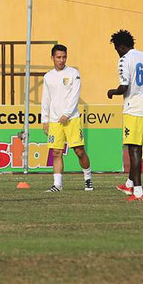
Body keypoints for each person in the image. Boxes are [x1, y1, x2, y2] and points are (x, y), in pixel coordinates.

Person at [106, 30, 143, 202]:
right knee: (138, 147)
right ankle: (130, 184)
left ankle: (138, 192)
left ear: (121, 46)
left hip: (134, 108)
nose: (117, 52)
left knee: (134, 149)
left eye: (117, 48)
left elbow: (124, 86)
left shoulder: (124, 59)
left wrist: (112, 92)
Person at [40, 44, 93, 192]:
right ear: (52, 58)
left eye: (64, 57)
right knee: (56, 152)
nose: (61, 60)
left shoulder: (73, 73)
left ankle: (88, 178)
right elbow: (46, 98)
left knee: (79, 151)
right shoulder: (48, 76)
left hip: (71, 119)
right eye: (58, 57)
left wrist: (67, 114)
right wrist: (45, 119)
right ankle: (57, 185)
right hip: (55, 121)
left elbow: (74, 96)